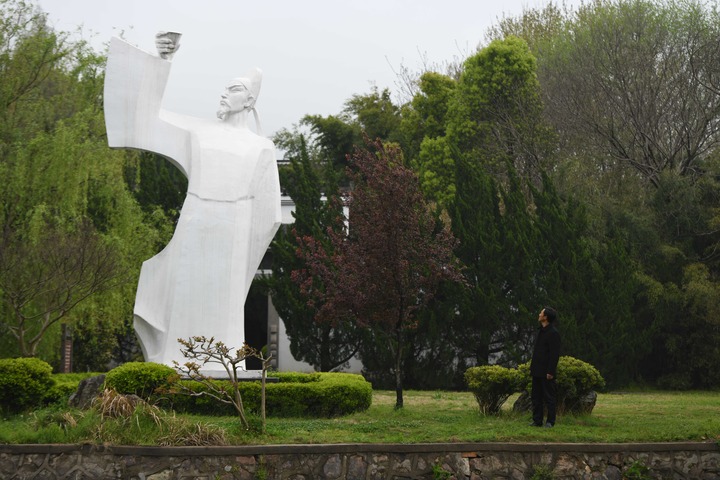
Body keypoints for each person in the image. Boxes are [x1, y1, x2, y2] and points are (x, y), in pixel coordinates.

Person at [103, 32, 282, 371]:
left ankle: (222, 364)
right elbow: (142, 119)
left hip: (235, 228)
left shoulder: (261, 147)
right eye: (225, 88)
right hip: (197, 217)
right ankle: (174, 360)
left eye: (234, 88)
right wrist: (163, 60)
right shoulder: (199, 130)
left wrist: (248, 254)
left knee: (222, 304)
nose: (224, 93)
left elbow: (269, 214)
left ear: (249, 100)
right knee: (181, 291)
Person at [529, 306, 561, 427]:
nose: (539, 314)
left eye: (541, 313)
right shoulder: (540, 331)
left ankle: (550, 421)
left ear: (546, 317)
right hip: (537, 369)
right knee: (536, 397)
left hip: (546, 371)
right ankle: (537, 420)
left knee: (549, 397)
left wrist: (551, 371)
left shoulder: (553, 333)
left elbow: (554, 354)